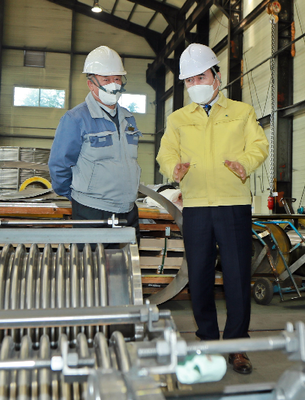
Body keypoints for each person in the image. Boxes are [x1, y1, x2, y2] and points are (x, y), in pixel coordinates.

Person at [156, 44, 269, 374]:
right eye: (189, 81)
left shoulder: (241, 112)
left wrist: (244, 164)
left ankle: (237, 346)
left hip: (233, 205)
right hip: (196, 207)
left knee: (236, 276)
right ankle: (207, 339)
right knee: (200, 278)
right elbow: (166, 153)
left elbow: (259, 145)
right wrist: (172, 169)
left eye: (201, 77)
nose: (196, 85)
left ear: (217, 76)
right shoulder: (178, 119)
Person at [48, 46, 142, 246]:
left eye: (117, 79)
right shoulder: (75, 119)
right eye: (106, 80)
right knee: (90, 272)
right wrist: (78, 197)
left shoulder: (128, 118)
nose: (114, 85)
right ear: (91, 84)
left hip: (127, 209)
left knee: (126, 271)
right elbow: (59, 165)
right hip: (91, 211)